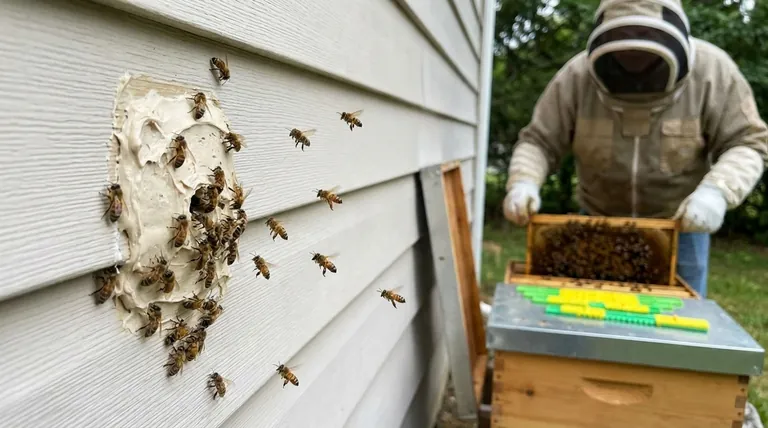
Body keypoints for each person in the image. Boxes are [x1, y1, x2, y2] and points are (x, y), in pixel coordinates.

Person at [503, 0, 768, 298]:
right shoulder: (576, 77)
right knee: (591, 321)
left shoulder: (713, 72)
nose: (634, 63)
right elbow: (539, 141)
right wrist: (524, 181)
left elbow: (747, 141)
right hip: (596, 222)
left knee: (677, 327)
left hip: (680, 227)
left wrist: (717, 192)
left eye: (644, 53)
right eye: (624, 55)